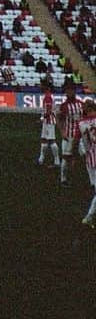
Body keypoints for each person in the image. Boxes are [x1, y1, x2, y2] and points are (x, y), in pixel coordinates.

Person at [58, 79, 83, 186]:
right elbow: (60, 120)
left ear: (74, 91)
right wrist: (62, 132)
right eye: (67, 91)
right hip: (69, 136)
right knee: (66, 157)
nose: (69, 92)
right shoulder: (64, 106)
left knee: (85, 154)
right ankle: (63, 178)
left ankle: (81, 174)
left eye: (71, 90)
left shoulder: (81, 104)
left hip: (80, 136)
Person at [78, 98, 96, 229]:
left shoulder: (81, 123)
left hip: (89, 160)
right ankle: (89, 217)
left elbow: (76, 141)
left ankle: (89, 217)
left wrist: (72, 156)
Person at [37, 77, 60, 168]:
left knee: (51, 140)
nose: (40, 86)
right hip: (47, 121)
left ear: (45, 86)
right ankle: (41, 160)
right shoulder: (47, 95)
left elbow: (49, 110)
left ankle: (57, 162)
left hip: (49, 121)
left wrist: (42, 119)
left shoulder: (48, 96)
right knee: (44, 139)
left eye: (41, 85)